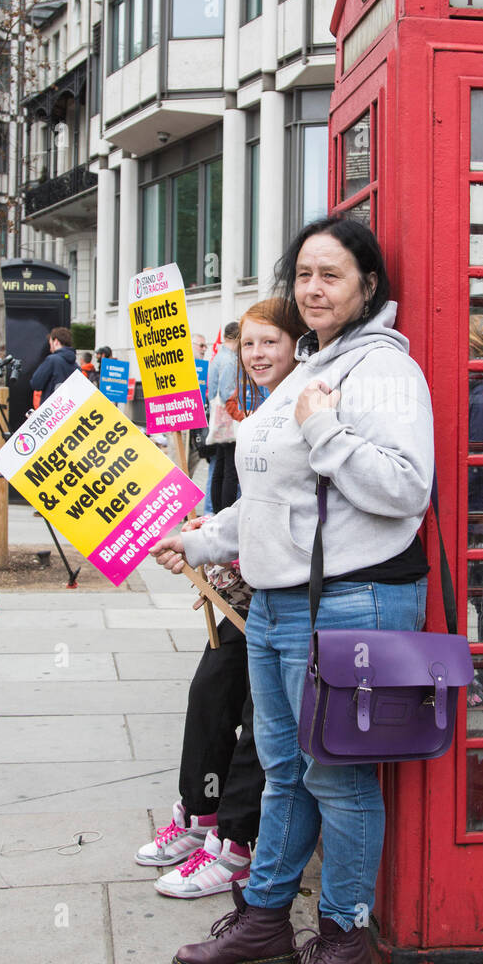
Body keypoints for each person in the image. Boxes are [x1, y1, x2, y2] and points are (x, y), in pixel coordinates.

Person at [150, 217, 434, 964]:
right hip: (278, 604)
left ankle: (347, 940)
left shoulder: (381, 371)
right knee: (282, 769)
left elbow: (406, 488)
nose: (314, 288)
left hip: (350, 600)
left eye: (331, 275)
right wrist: (203, 538)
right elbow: (271, 501)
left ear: (367, 286)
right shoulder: (310, 364)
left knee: (339, 779)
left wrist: (323, 428)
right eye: (304, 273)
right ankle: (268, 917)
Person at [137, 298, 305, 899]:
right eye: (249, 345)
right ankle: (199, 813)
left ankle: (233, 843)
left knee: (265, 719)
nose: (257, 355)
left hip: (291, 584)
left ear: (296, 344)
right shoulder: (258, 406)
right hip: (249, 574)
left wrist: (209, 537)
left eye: (270, 343)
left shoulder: (307, 401)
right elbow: (250, 501)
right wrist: (203, 534)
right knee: (212, 691)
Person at [204, 321, 240, 517]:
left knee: (219, 466)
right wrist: (240, 416)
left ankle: (217, 511)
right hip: (228, 419)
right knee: (230, 471)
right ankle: (225, 513)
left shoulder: (219, 356)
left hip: (218, 419)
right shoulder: (231, 360)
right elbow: (227, 393)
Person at [30, 326, 77, 404]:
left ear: (56, 342)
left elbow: (36, 383)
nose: (50, 348)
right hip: (67, 409)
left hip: (52, 409)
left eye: (50, 344)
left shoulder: (52, 360)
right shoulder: (76, 365)